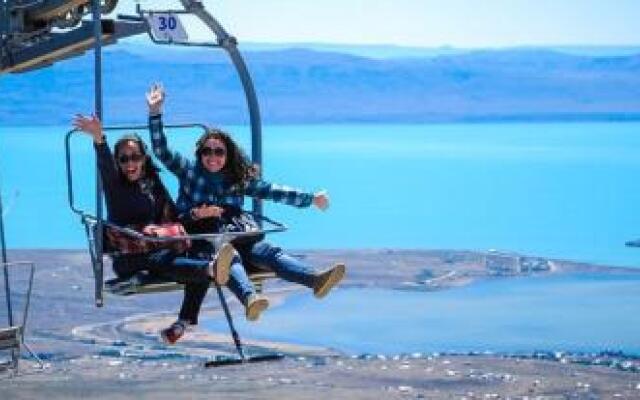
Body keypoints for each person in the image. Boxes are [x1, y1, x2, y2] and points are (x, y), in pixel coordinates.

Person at [145, 84, 346, 323]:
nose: (213, 157)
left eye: (219, 152)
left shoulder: (236, 180)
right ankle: (250, 298)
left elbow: (271, 191)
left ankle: (315, 279)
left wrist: (310, 199)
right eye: (207, 151)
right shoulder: (189, 173)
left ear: (228, 155)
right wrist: (155, 113)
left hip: (238, 233)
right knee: (228, 257)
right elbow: (161, 150)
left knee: (267, 252)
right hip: (206, 238)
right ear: (199, 154)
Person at [73, 114, 235, 345]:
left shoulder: (152, 183)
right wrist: (99, 138)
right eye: (124, 159)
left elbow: (174, 215)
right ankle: (210, 268)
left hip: (157, 248)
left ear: (144, 158)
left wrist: (197, 214)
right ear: (118, 162)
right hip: (130, 256)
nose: (130, 164)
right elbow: (105, 166)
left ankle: (181, 324)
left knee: (196, 251)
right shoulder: (115, 186)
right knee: (171, 260)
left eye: (135, 157)